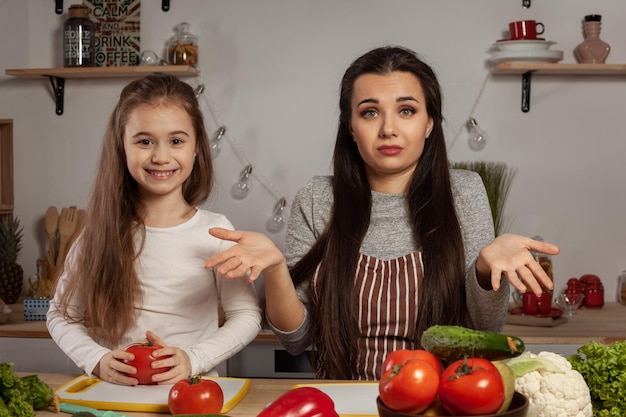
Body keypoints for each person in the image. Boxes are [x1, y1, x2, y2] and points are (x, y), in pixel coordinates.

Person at [205, 46, 559, 380]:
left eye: (406, 110)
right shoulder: (317, 199)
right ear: (351, 127)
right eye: (370, 112)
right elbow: (296, 340)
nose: (388, 128)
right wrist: (277, 269)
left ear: (430, 123)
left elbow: (484, 333)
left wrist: (484, 269)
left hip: (443, 401)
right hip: (342, 403)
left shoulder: (464, 193)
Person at [47, 74, 262, 386]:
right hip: (117, 400)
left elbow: (246, 316)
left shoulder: (216, 232)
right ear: (121, 146)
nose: (161, 157)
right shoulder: (99, 231)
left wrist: (193, 358)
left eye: (176, 141)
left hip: (193, 396)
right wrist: (96, 359)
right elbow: (61, 315)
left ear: (197, 148)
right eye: (144, 141)